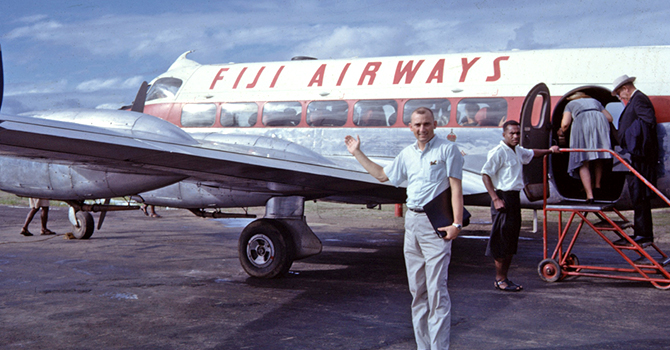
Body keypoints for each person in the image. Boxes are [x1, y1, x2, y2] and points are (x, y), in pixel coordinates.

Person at [345, 107, 463, 350]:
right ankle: (423, 346)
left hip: (436, 225)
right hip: (413, 223)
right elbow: (381, 175)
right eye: (417, 125)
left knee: (437, 291)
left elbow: (456, 189)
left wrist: (457, 224)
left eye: (427, 124)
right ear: (410, 127)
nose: (422, 129)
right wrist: (358, 153)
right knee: (418, 292)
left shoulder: (447, 150)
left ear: (435, 124)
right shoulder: (407, 154)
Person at [481, 121, 559, 291]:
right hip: (502, 198)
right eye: (512, 133)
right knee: (501, 241)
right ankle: (499, 279)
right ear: (504, 135)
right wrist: (495, 199)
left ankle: (505, 278)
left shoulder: (518, 150)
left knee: (510, 241)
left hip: (514, 198)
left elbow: (533, 153)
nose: (516, 136)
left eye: (518, 133)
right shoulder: (498, 152)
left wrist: (549, 150)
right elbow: (486, 175)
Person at [612, 75, 658, 245]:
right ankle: (641, 232)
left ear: (626, 88)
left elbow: (648, 122)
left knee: (640, 196)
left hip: (639, 158)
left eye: (619, 93)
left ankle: (644, 234)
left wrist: (631, 140)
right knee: (637, 195)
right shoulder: (636, 100)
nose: (620, 97)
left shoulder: (639, 100)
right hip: (634, 156)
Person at [559, 92, 614, 203]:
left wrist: (561, 131)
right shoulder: (595, 102)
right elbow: (609, 118)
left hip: (582, 125)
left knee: (583, 160)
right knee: (598, 156)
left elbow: (565, 123)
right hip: (599, 126)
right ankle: (598, 187)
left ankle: (590, 195)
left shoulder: (570, 104)